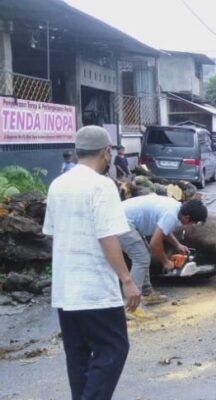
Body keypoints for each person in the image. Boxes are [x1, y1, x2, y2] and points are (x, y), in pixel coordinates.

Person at [43, 126, 141, 399]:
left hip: (65, 291)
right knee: (114, 347)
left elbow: (52, 234)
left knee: (78, 357)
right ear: (105, 153)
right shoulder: (101, 185)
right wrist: (127, 279)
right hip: (95, 291)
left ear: (77, 151)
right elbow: (107, 236)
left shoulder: (58, 184)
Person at [118, 196, 208, 313]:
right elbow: (154, 244)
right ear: (187, 217)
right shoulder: (171, 214)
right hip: (121, 221)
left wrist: (177, 245)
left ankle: (146, 293)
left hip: (126, 220)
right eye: (193, 223)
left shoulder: (176, 209)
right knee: (141, 258)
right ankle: (131, 306)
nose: (191, 225)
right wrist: (165, 262)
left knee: (144, 255)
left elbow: (164, 229)